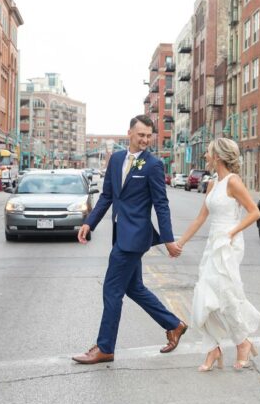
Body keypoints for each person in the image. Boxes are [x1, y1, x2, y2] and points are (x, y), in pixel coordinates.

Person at [73, 115, 186, 365]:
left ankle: (105, 347)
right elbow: (107, 197)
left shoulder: (153, 165)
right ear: (130, 134)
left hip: (135, 238)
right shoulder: (115, 160)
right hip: (120, 233)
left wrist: (168, 239)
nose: (145, 140)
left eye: (149, 135)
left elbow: (161, 204)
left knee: (112, 290)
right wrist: (88, 222)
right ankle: (174, 324)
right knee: (134, 288)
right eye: (141, 135)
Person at [176, 137, 260, 372]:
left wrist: (232, 232)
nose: (205, 156)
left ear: (218, 156)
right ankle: (213, 348)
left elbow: (254, 213)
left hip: (229, 244)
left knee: (226, 296)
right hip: (214, 244)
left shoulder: (233, 182)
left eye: (207, 152)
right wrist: (181, 242)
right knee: (204, 296)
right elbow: (200, 217)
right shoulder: (213, 183)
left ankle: (242, 343)